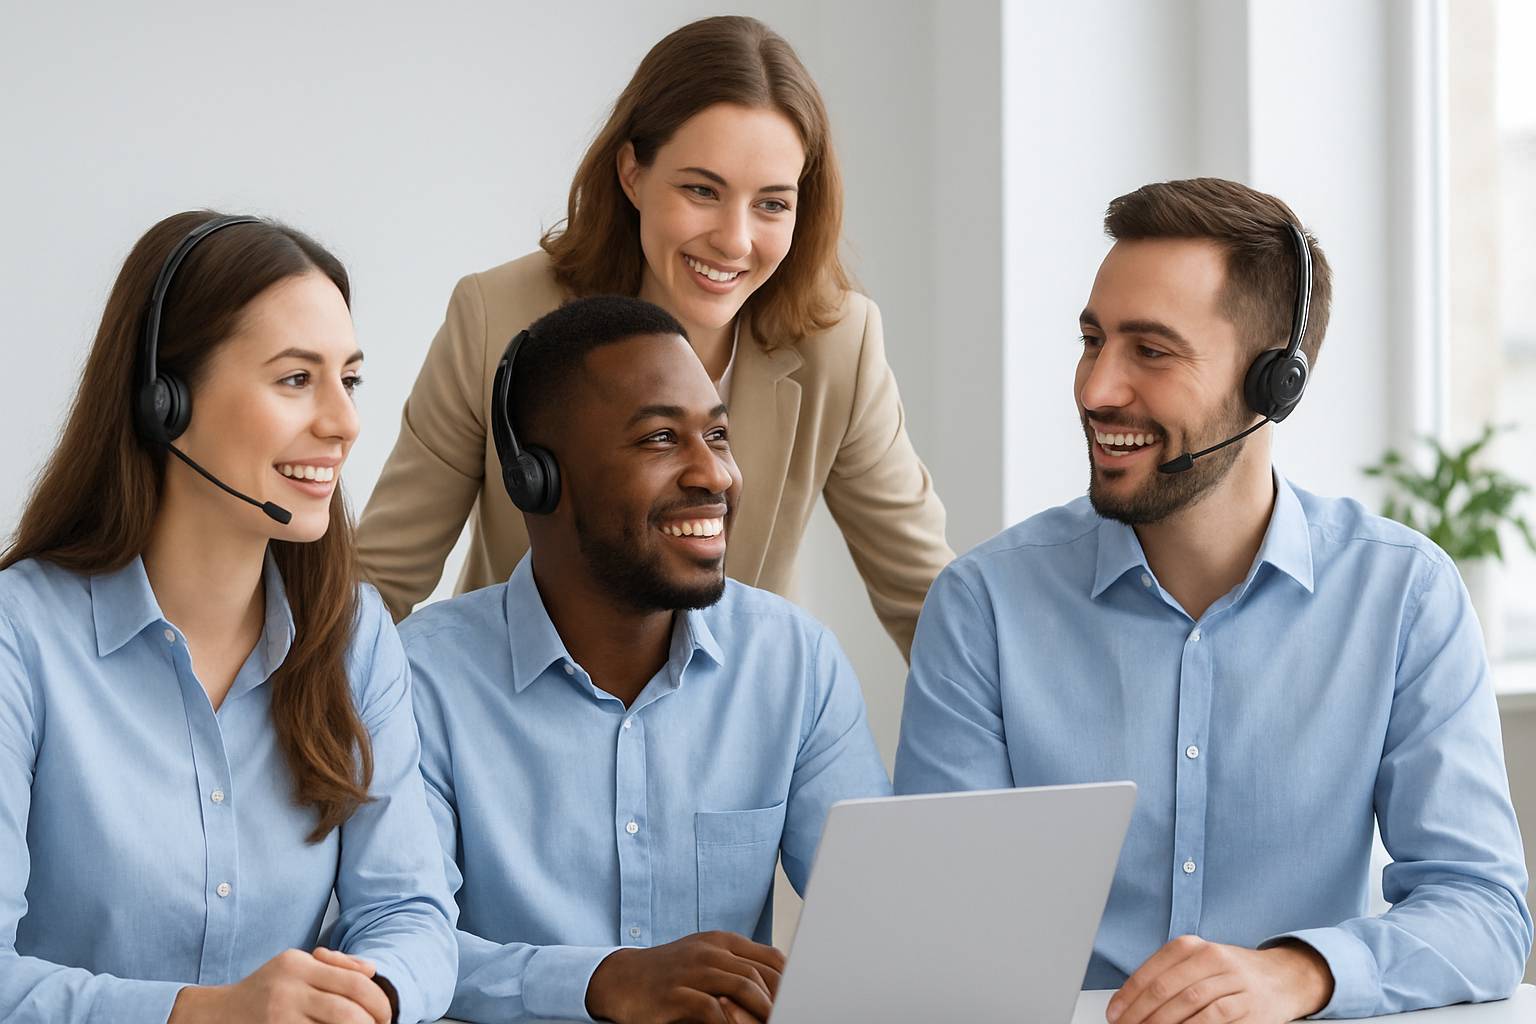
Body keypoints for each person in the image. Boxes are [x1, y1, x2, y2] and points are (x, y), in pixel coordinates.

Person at [893, 179, 1532, 1021]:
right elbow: (941, 938)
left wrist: (1299, 973)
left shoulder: (1403, 596)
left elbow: (1483, 912)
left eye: (1152, 351)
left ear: (1274, 385)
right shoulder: (984, 608)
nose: (1097, 388)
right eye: (1093, 341)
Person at [357, 15, 952, 659]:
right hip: (509, 704)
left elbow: (926, 603)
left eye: (772, 203)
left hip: (728, 714)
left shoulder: (840, 344)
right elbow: (377, 586)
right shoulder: (495, 317)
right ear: (632, 174)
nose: (735, 241)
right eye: (702, 190)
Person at [0, 212, 458, 1024]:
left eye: (349, 380)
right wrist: (204, 1012)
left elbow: (410, 913)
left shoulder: (351, 634)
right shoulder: (21, 635)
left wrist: (369, 996)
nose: (345, 423)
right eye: (296, 379)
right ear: (165, 403)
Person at [401, 295, 892, 1024]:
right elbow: (396, 945)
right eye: (661, 438)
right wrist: (604, 982)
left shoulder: (794, 662)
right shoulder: (419, 680)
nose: (714, 475)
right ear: (538, 479)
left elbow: (883, 925)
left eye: (717, 435)